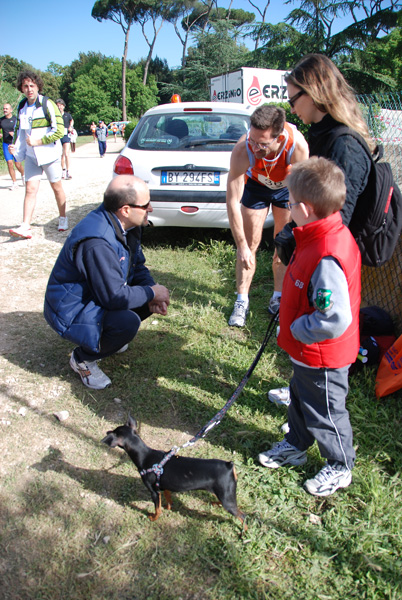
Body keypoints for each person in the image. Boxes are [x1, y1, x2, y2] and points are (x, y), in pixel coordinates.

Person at [269, 53, 374, 406]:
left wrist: (295, 239)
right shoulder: (323, 134)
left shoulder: (344, 143)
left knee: (321, 326)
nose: (291, 107)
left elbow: (337, 214)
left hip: (330, 256)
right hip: (315, 247)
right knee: (304, 317)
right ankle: (302, 384)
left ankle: (318, 394)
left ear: (313, 92)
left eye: (293, 97)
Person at [258, 157, 361, 497]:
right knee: (301, 402)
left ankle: (340, 464)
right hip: (307, 354)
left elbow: (334, 318)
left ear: (304, 207)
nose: (287, 207)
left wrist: (297, 329)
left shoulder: (328, 251)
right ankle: (296, 445)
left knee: (326, 413)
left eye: (289, 202)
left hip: (322, 356)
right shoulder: (316, 234)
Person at [44, 175, 170, 390]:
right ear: (126, 209)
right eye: (146, 204)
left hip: (95, 296)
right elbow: (113, 297)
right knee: (128, 322)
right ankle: (82, 359)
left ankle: (107, 340)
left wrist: (151, 291)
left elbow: (137, 266)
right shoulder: (97, 242)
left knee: (146, 299)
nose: (150, 208)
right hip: (71, 310)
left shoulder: (128, 226)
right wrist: (152, 292)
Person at [226, 104, 309, 327]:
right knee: (249, 245)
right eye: (252, 140)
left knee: (282, 244)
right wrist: (241, 244)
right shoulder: (243, 149)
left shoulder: (297, 146)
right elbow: (232, 201)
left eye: (262, 144)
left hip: (287, 189)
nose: (254, 147)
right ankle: (241, 299)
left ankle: (278, 297)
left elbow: (301, 196)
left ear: (279, 138)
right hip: (256, 186)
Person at [8, 70, 68, 239]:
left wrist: (39, 141)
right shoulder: (22, 106)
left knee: (56, 188)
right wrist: (17, 150)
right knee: (30, 189)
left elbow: (59, 131)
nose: (29, 89)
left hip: (49, 155)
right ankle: (25, 225)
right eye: (25, 86)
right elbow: (19, 131)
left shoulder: (47, 104)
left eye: (32, 86)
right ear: (22, 88)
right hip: (31, 156)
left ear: (37, 86)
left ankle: (63, 217)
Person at [0, 103, 25, 190]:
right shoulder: (1, 120)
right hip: (6, 144)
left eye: (6, 109)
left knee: (17, 164)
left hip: (15, 144)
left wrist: (14, 135)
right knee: (9, 163)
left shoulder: (15, 119)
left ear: (11, 110)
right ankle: (14, 182)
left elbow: (21, 131)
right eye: (4, 109)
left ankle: (23, 175)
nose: (5, 110)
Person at [56, 99, 73, 179]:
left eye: (60, 105)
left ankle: (68, 171)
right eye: (58, 105)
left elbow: (71, 120)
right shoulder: (56, 115)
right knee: (61, 154)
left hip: (66, 135)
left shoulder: (67, 115)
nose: (59, 107)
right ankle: (63, 170)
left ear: (63, 106)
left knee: (66, 153)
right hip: (58, 136)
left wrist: (71, 126)